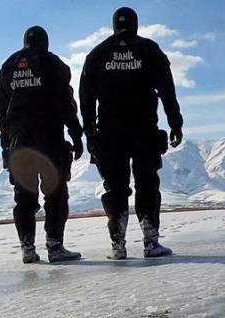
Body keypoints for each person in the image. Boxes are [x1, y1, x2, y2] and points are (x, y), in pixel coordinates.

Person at [79, 7, 183, 260]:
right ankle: (151, 241)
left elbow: (85, 97)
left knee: (115, 187)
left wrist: (90, 131)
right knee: (146, 182)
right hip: (144, 129)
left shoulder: (97, 54)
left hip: (109, 133)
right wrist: (175, 123)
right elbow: (167, 90)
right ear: (135, 24)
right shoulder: (149, 49)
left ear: (114, 25)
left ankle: (118, 245)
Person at [0, 25, 84, 264]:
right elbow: (66, 102)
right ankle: (55, 246)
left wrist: (6, 143)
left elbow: (0, 110)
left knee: (23, 197)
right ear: (45, 42)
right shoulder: (52, 63)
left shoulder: (8, 67)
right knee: (55, 193)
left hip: (20, 144)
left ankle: (27, 248)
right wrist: (76, 135)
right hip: (49, 141)